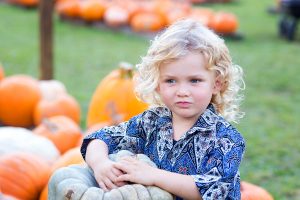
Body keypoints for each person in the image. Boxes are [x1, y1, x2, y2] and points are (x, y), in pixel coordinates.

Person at [81, 18, 246, 200]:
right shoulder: (151, 122)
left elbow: (213, 189)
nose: (182, 91)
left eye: (195, 81)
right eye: (171, 81)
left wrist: (153, 175)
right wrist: (100, 164)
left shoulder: (226, 139)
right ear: (158, 84)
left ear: (216, 84)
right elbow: (99, 138)